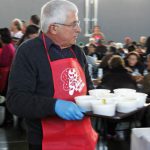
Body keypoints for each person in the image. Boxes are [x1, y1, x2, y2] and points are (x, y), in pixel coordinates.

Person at [6, 1, 98, 150]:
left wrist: (102, 100)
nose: (79, 29)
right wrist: (55, 106)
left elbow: (88, 89)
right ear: (54, 28)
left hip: (82, 138)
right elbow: (16, 100)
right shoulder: (29, 52)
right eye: (73, 24)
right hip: (46, 142)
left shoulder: (77, 52)